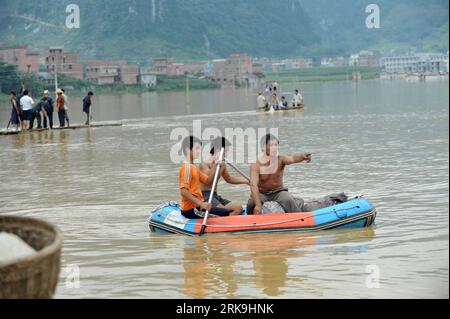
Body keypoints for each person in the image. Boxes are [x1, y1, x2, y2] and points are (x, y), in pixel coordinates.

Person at [247, 134, 312, 215]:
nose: (274, 148)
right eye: (271, 145)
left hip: (278, 192)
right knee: (251, 203)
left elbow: (292, 159)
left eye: (276, 145)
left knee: (288, 200)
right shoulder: (256, 163)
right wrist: (258, 205)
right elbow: (253, 184)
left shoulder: (281, 159)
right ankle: (250, 221)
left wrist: (302, 157)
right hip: (262, 193)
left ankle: (299, 218)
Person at [179, 136, 230, 219]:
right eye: (197, 149)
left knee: (224, 211)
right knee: (224, 213)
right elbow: (183, 191)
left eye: (200, 149)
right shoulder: (187, 168)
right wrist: (201, 204)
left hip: (198, 206)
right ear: (188, 150)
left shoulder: (194, 167)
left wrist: (215, 165)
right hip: (191, 209)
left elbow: (208, 181)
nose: (199, 152)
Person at [200, 137, 248, 216]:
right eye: (226, 151)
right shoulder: (204, 164)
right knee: (223, 211)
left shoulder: (222, 164)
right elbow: (209, 181)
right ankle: (218, 220)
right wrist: (215, 166)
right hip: (205, 196)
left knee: (238, 208)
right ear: (218, 151)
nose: (227, 153)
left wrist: (246, 181)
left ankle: (224, 222)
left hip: (215, 196)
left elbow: (229, 179)